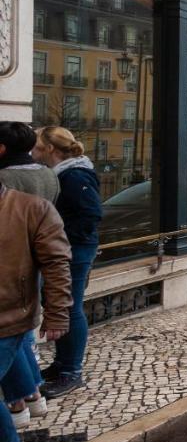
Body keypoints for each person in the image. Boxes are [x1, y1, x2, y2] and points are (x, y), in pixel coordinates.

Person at [0, 180, 72, 442]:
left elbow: (56, 263)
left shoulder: (32, 208)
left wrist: (57, 313)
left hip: (10, 315)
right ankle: (27, 399)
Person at [32, 127, 102, 399]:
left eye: (37, 146)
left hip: (75, 251)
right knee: (60, 306)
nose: (33, 152)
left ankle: (71, 371)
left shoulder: (74, 175)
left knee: (69, 308)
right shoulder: (64, 174)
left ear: (50, 148)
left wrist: (58, 236)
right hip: (69, 249)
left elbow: (92, 214)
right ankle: (61, 365)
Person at [0, 122, 60, 423]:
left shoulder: (5, 177)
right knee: (19, 331)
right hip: (38, 255)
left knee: (12, 332)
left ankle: (18, 402)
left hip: (12, 259)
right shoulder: (48, 174)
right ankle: (31, 395)